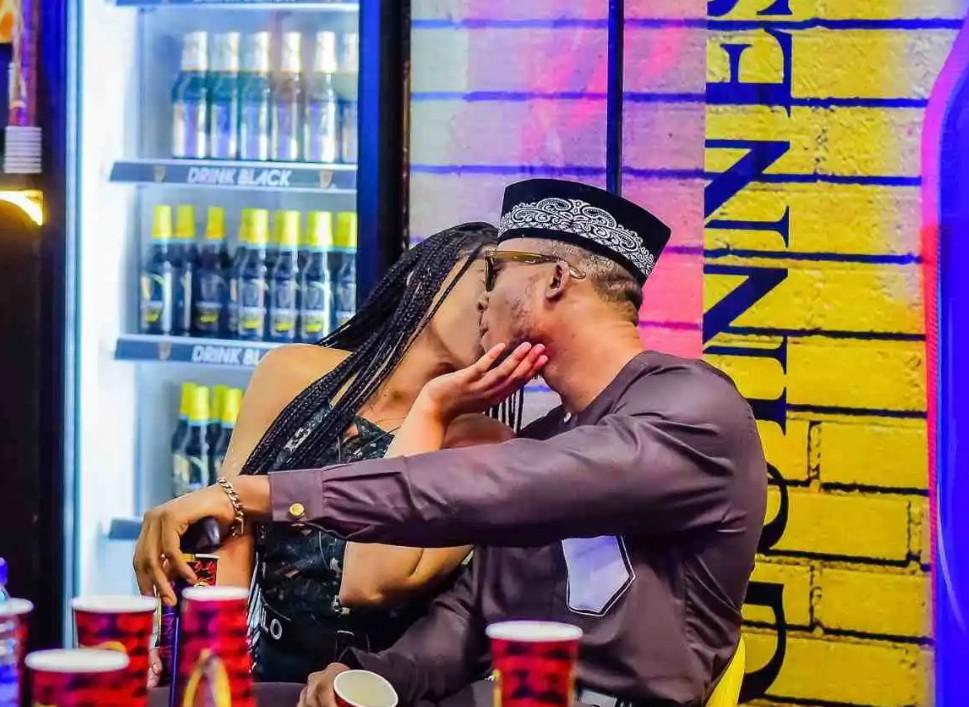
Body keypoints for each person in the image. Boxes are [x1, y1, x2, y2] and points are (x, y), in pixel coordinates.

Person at [135, 179, 768, 707]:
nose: (486, 296)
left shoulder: (694, 410)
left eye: (497, 270)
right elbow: (469, 616)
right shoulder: (550, 437)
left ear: (553, 281)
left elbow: (507, 482)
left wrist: (255, 495)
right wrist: (371, 676)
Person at [138, 222, 529, 684]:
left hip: (379, 687)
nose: (491, 300)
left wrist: (435, 407)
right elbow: (233, 526)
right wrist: (204, 653)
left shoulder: (486, 444)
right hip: (272, 673)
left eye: (509, 293)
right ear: (420, 277)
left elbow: (375, 584)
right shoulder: (293, 374)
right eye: (488, 275)